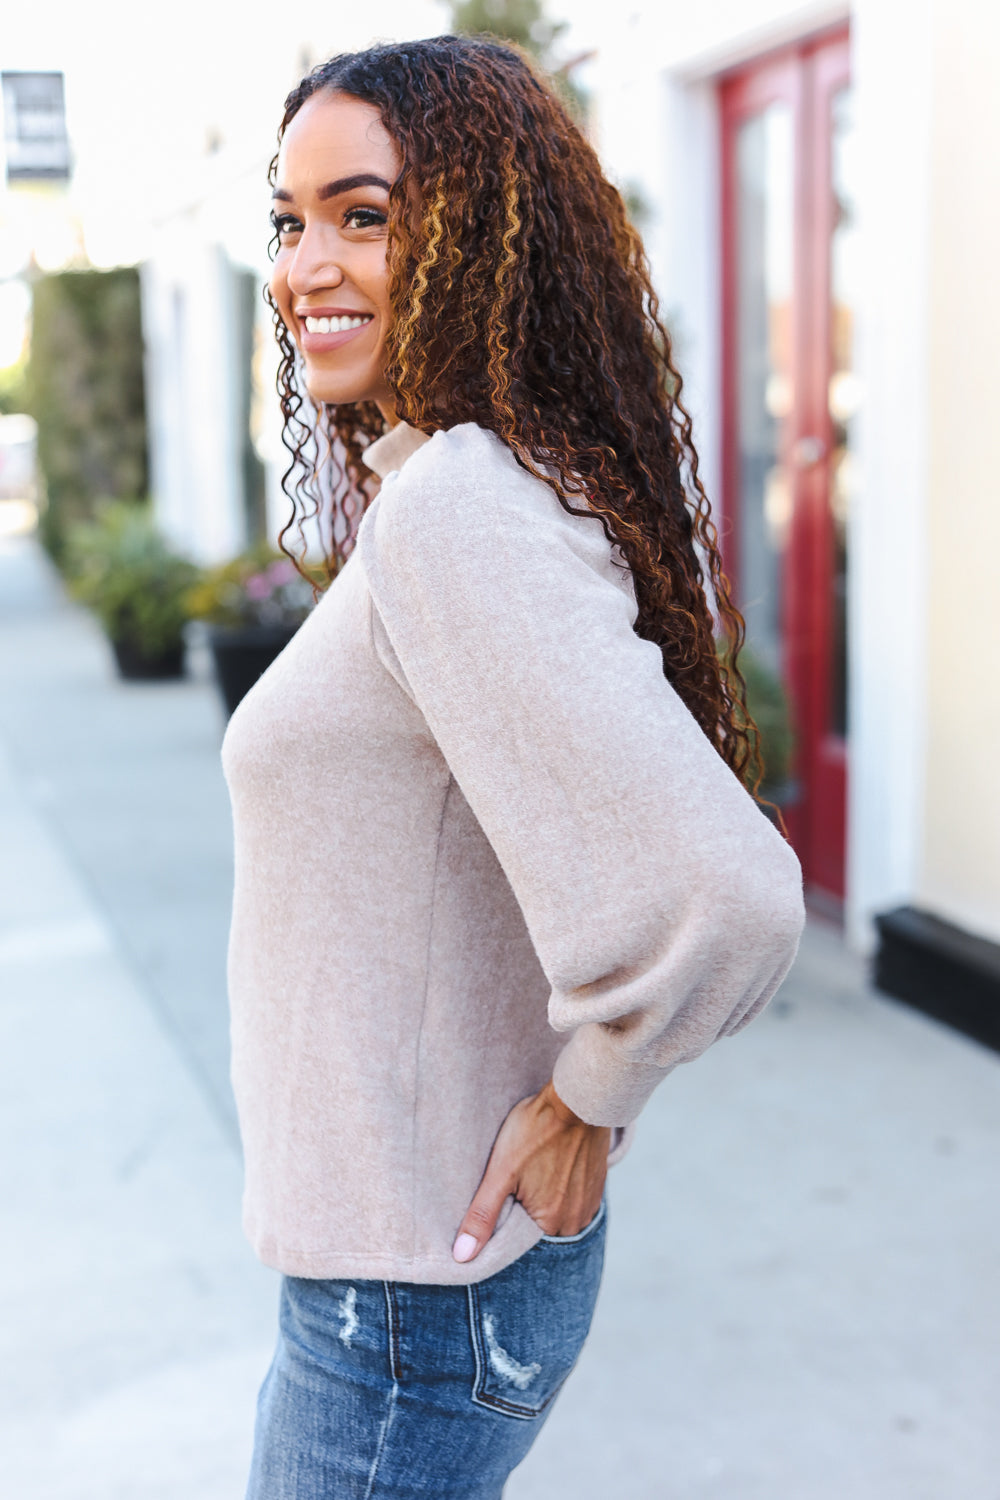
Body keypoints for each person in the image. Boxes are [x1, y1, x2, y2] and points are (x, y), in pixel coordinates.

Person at [221, 34, 805, 1500]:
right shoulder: (449, 481)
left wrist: (593, 1092)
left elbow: (729, 888)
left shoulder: (457, 510)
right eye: (291, 223)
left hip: (410, 1309)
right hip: (400, 1287)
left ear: (477, 235)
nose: (308, 266)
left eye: (365, 214)